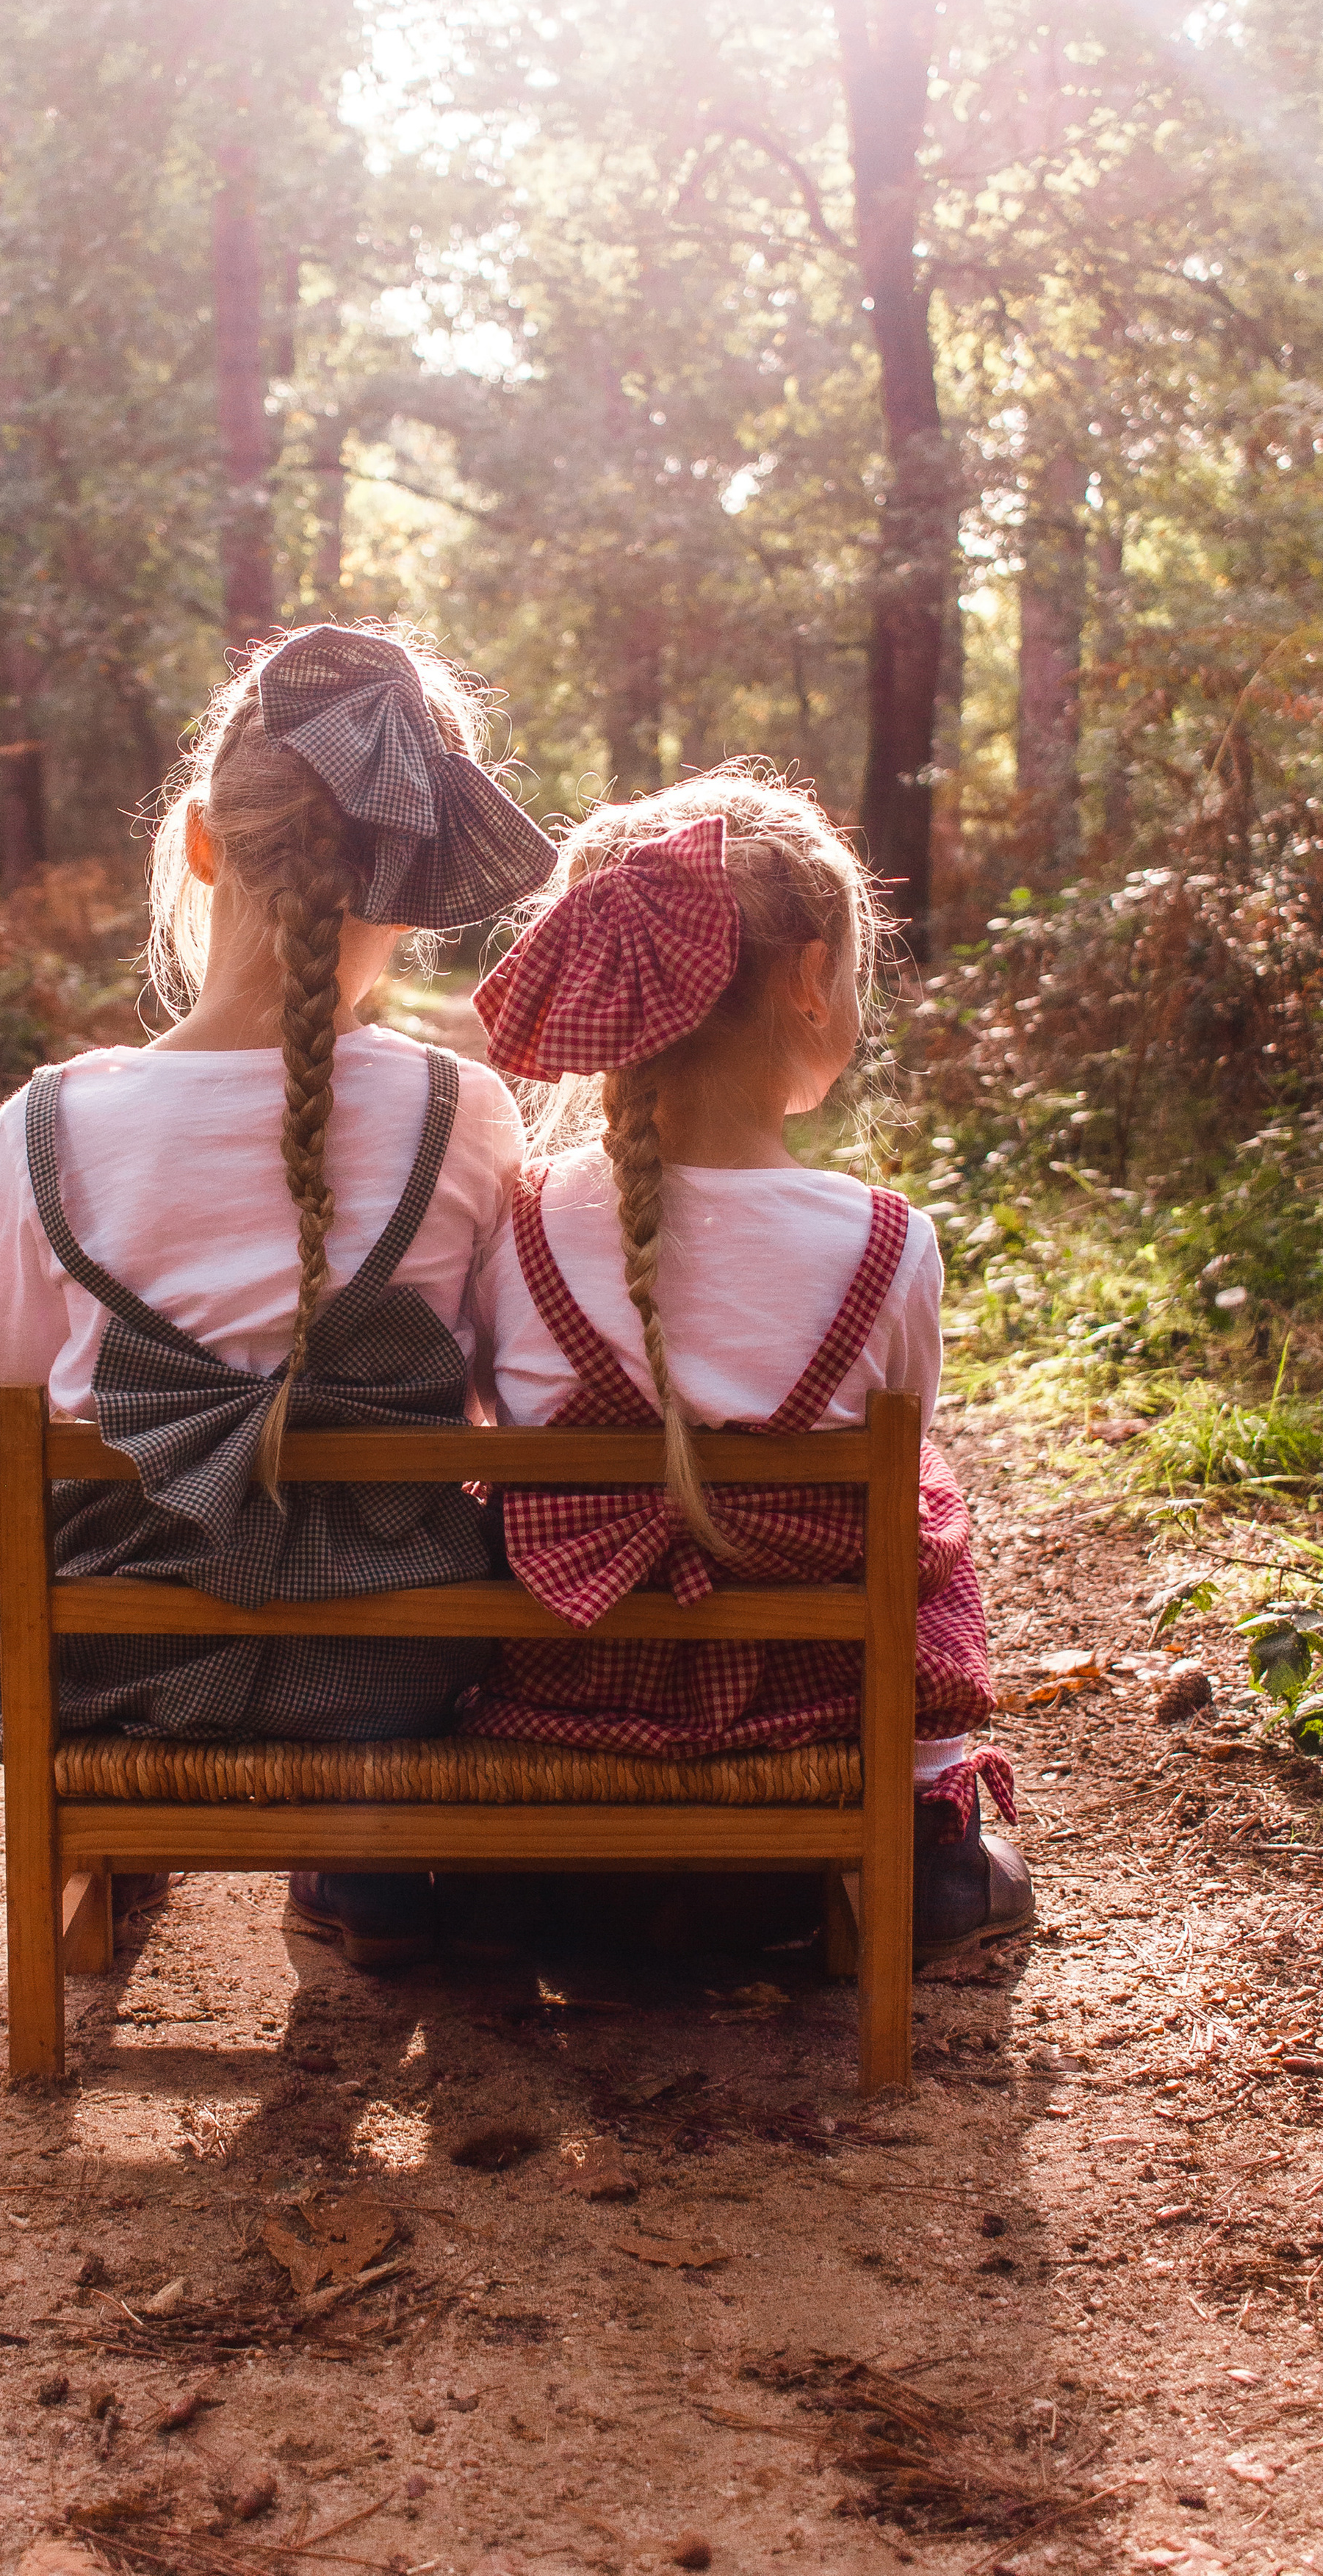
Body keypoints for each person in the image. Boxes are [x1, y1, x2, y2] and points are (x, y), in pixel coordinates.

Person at [0, 622, 555, 1964]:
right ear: (411, 875)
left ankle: (132, 1823)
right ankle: (361, 1854)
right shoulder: (471, 1113)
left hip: (116, 1660)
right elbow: (517, 1405)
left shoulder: (46, 1124)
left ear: (204, 843)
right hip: (390, 1659)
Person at [464, 768, 1030, 1961]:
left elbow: (482, 1428)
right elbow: (899, 1440)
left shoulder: (509, 1225)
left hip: (565, 1743)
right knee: (918, 1490)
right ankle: (929, 1830)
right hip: (810, 1737)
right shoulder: (887, 1240)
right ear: (811, 976)